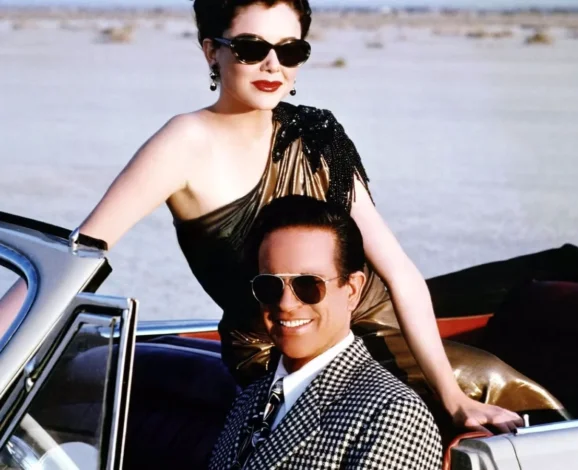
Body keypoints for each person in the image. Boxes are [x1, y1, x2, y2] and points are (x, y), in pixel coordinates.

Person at [0, 0, 525, 433]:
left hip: (368, 321)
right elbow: (79, 255)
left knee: (484, 379)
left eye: (290, 50)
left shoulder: (315, 135)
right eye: (252, 48)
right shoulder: (184, 143)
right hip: (272, 346)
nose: (273, 66)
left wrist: (451, 395)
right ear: (212, 51)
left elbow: (398, 269)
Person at [209, 195, 441, 470]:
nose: (286, 304)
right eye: (270, 286)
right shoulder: (250, 399)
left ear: (352, 290)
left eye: (309, 285)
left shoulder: (393, 414)